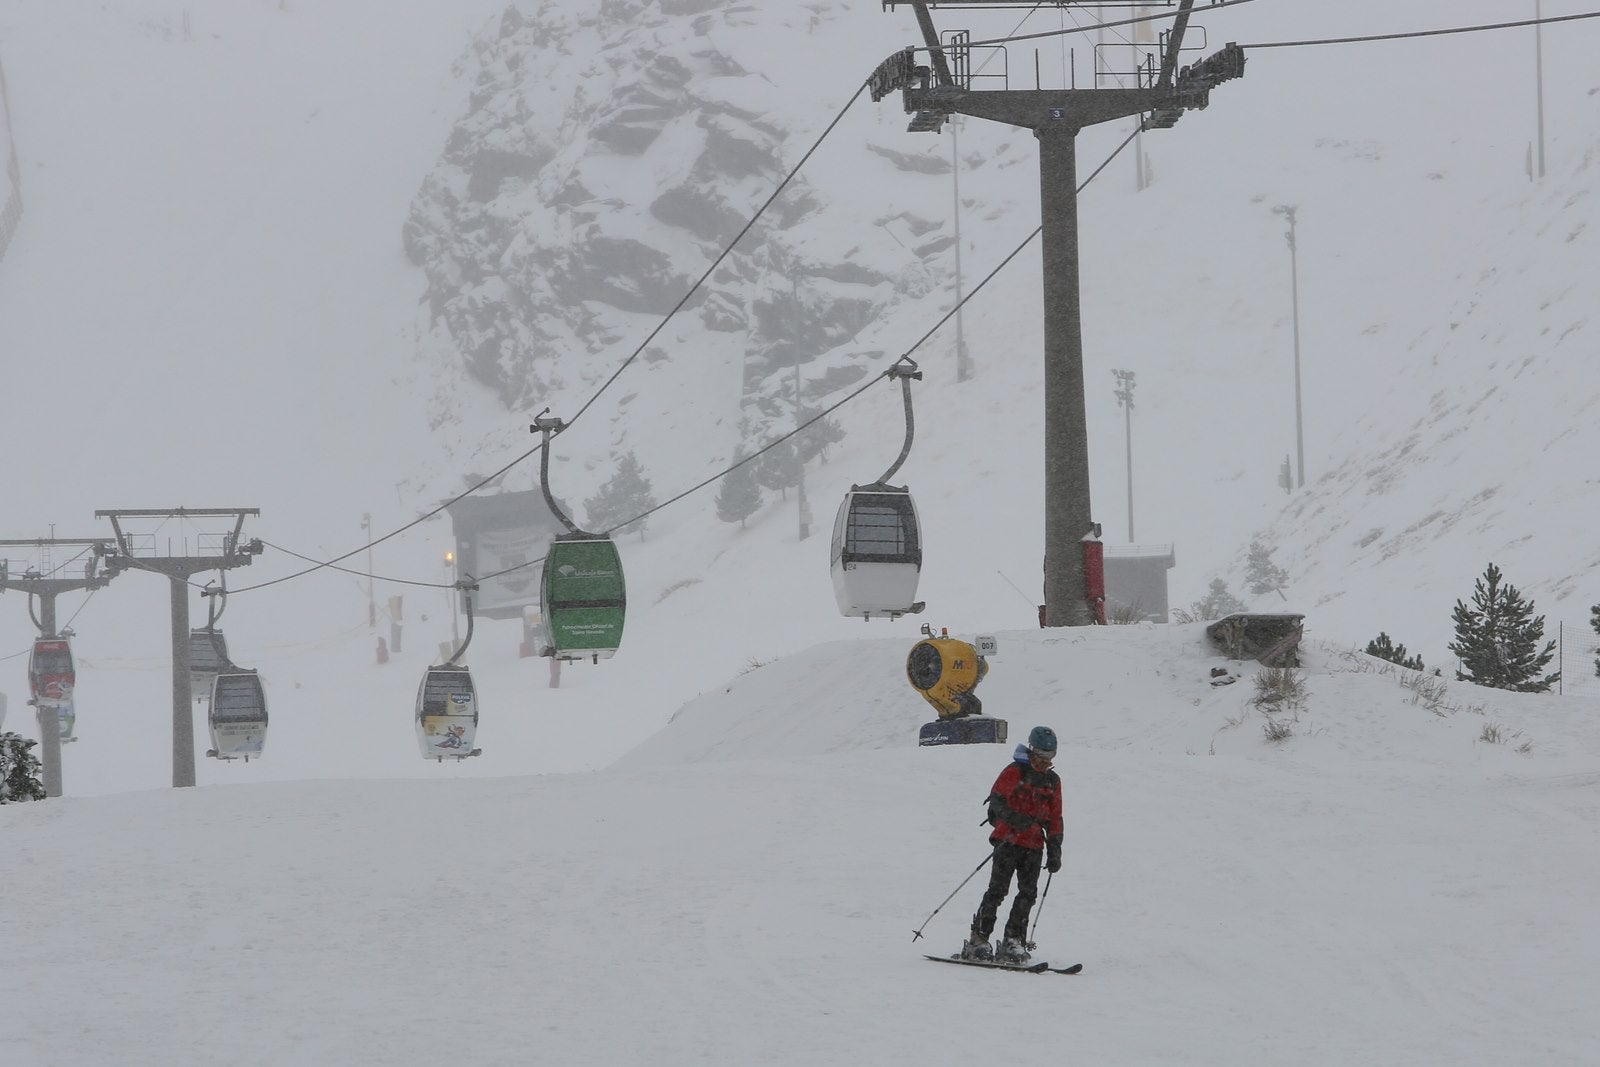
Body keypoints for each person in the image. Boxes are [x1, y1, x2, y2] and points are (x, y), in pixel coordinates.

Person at [962, 725, 1064, 963]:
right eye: (1040, 756)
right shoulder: (1014, 771)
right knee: (998, 890)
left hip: (1034, 845)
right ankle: (979, 939)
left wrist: (1055, 848)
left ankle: (1013, 940)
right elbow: (996, 804)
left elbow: (1055, 817)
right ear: (1031, 750)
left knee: (1028, 893)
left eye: (1050, 757)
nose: (1045, 762)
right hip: (1008, 841)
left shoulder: (1052, 781)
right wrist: (1014, 820)